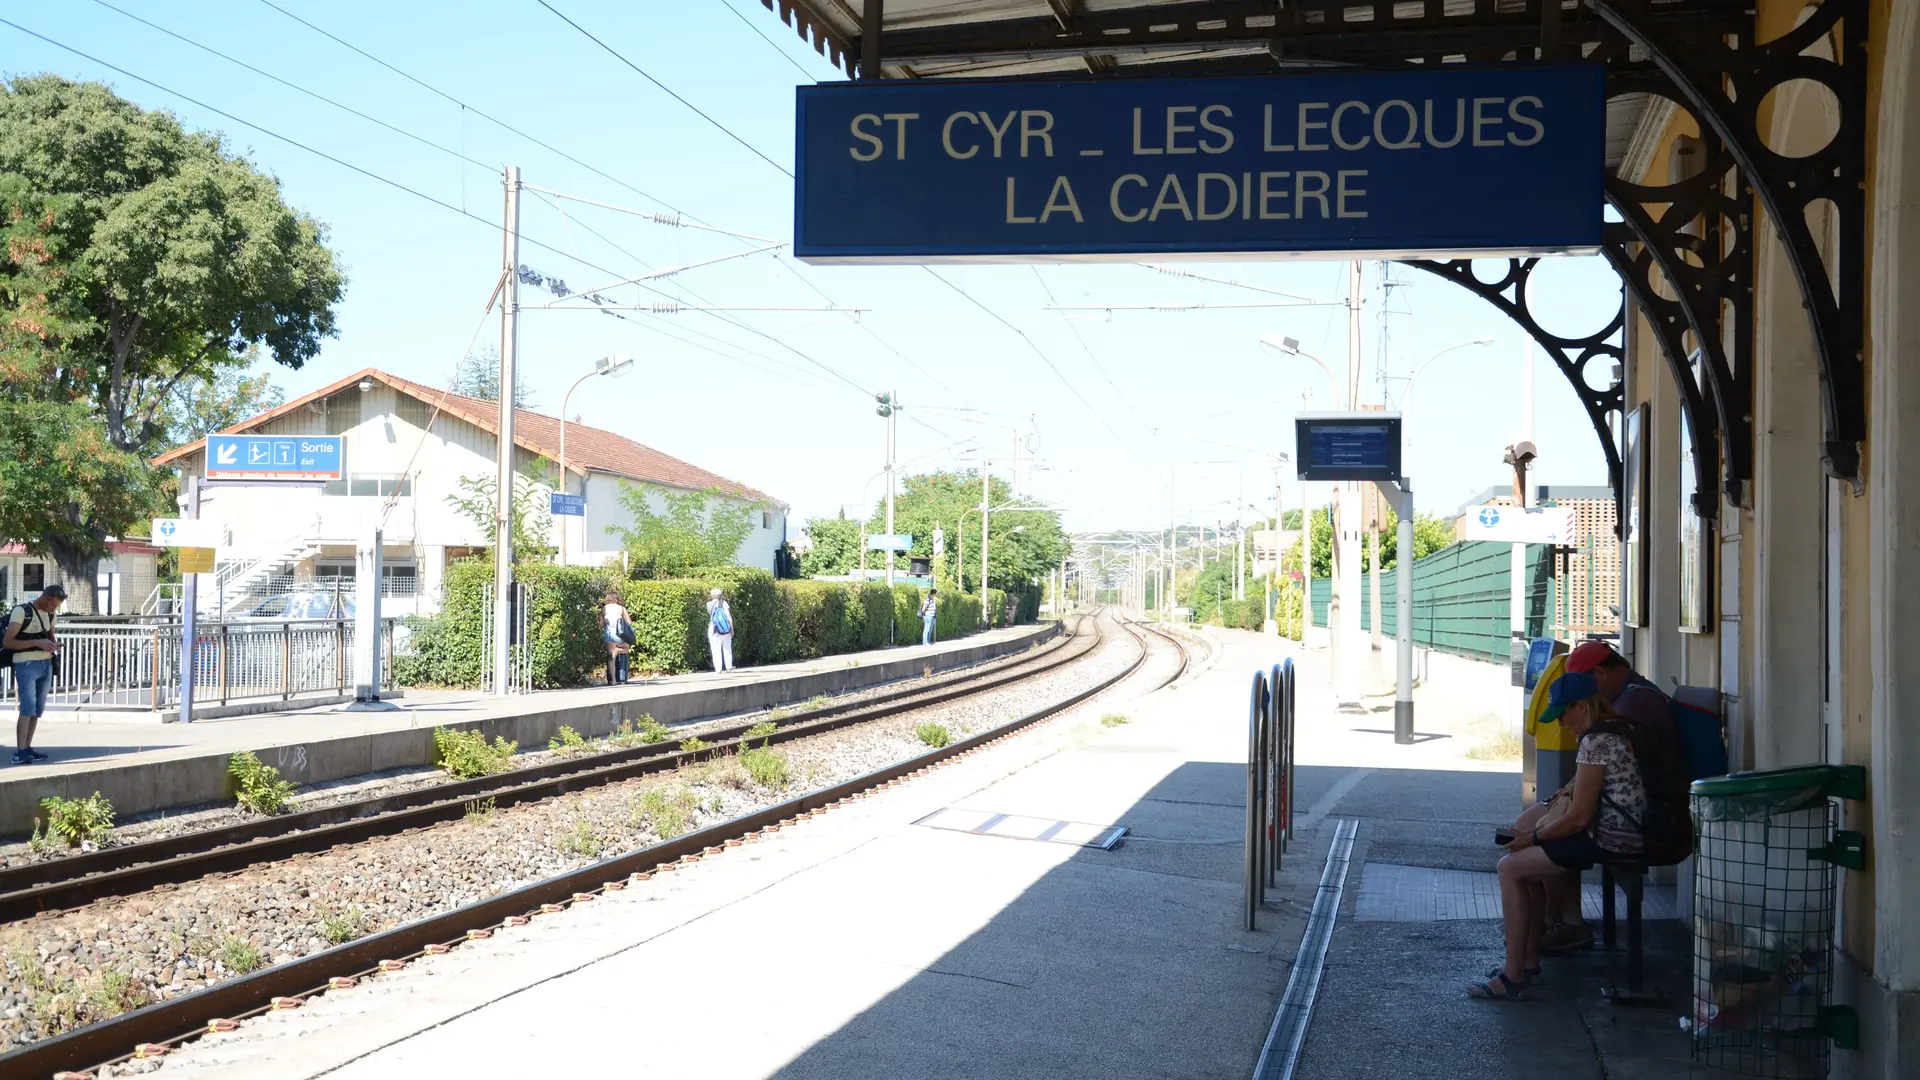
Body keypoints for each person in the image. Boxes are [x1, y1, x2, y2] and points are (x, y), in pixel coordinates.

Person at [1471, 671, 1647, 1000]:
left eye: (1564, 714)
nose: (1561, 724)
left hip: (1609, 837)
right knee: (1522, 868)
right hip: (1617, 831)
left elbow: (1579, 817)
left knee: (1510, 868)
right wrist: (1535, 827)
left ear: (1581, 706)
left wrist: (1533, 839)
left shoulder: (1597, 741)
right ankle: (1527, 963)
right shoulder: (1613, 730)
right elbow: (1575, 797)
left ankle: (1514, 976)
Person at [1528, 640, 1679, 954]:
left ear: (1598, 675)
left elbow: (1600, 785)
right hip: (1638, 814)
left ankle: (1549, 923)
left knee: (1552, 833)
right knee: (1544, 822)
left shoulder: (1629, 707)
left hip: (1642, 824)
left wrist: (1544, 828)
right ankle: (1561, 921)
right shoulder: (1624, 701)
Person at [5, 584, 66, 765]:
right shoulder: (22, 611)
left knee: (37, 709)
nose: (54, 609)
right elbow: (8, 641)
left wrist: (54, 644)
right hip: (26, 663)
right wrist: (36, 643)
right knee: (27, 706)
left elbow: (50, 636)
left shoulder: (51, 614)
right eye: (53, 605)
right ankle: (19, 750)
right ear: (46, 598)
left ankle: (27, 747)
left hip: (45, 662)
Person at [601, 592, 631, 685]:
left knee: (611, 657)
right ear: (616, 599)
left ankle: (613, 680)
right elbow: (629, 622)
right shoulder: (621, 608)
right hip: (619, 635)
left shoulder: (603, 609)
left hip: (608, 634)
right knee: (626, 648)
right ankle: (618, 651)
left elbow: (601, 624)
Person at [706, 587, 735, 673]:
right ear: (720, 595)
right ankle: (729, 667)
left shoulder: (708, 604)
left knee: (715, 649)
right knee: (727, 647)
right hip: (725, 628)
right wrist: (731, 628)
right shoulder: (724, 603)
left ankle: (718, 669)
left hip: (713, 628)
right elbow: (728, 616)